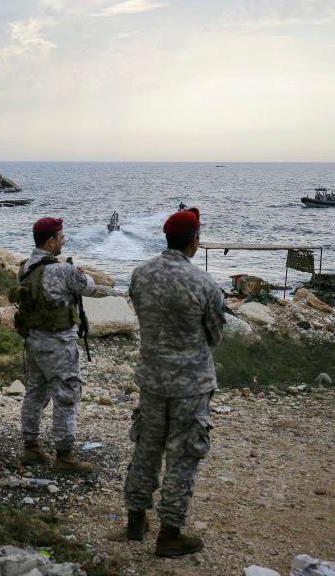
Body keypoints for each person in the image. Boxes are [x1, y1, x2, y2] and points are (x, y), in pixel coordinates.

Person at [124, 207, 225, 557]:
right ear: (194, 242)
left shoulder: (140, 274)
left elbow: (140, 314)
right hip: (190, 384)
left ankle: (135, 522)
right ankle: (170, 534)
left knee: (146, 448)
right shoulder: (205, 284)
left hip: (152, 379)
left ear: (166, 238)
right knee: (182, 457)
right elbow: (215, 335)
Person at [15, 217, 97, 472]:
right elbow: (89, 288)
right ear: (51, 242)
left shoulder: (25, 267)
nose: (64, 242)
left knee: (36, 392)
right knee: (67, 394)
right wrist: (83, 274)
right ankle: (64, 454)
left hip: (33, 341)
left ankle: (31, 446)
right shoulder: (61, 270)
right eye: (61, 238)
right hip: (58, 343)